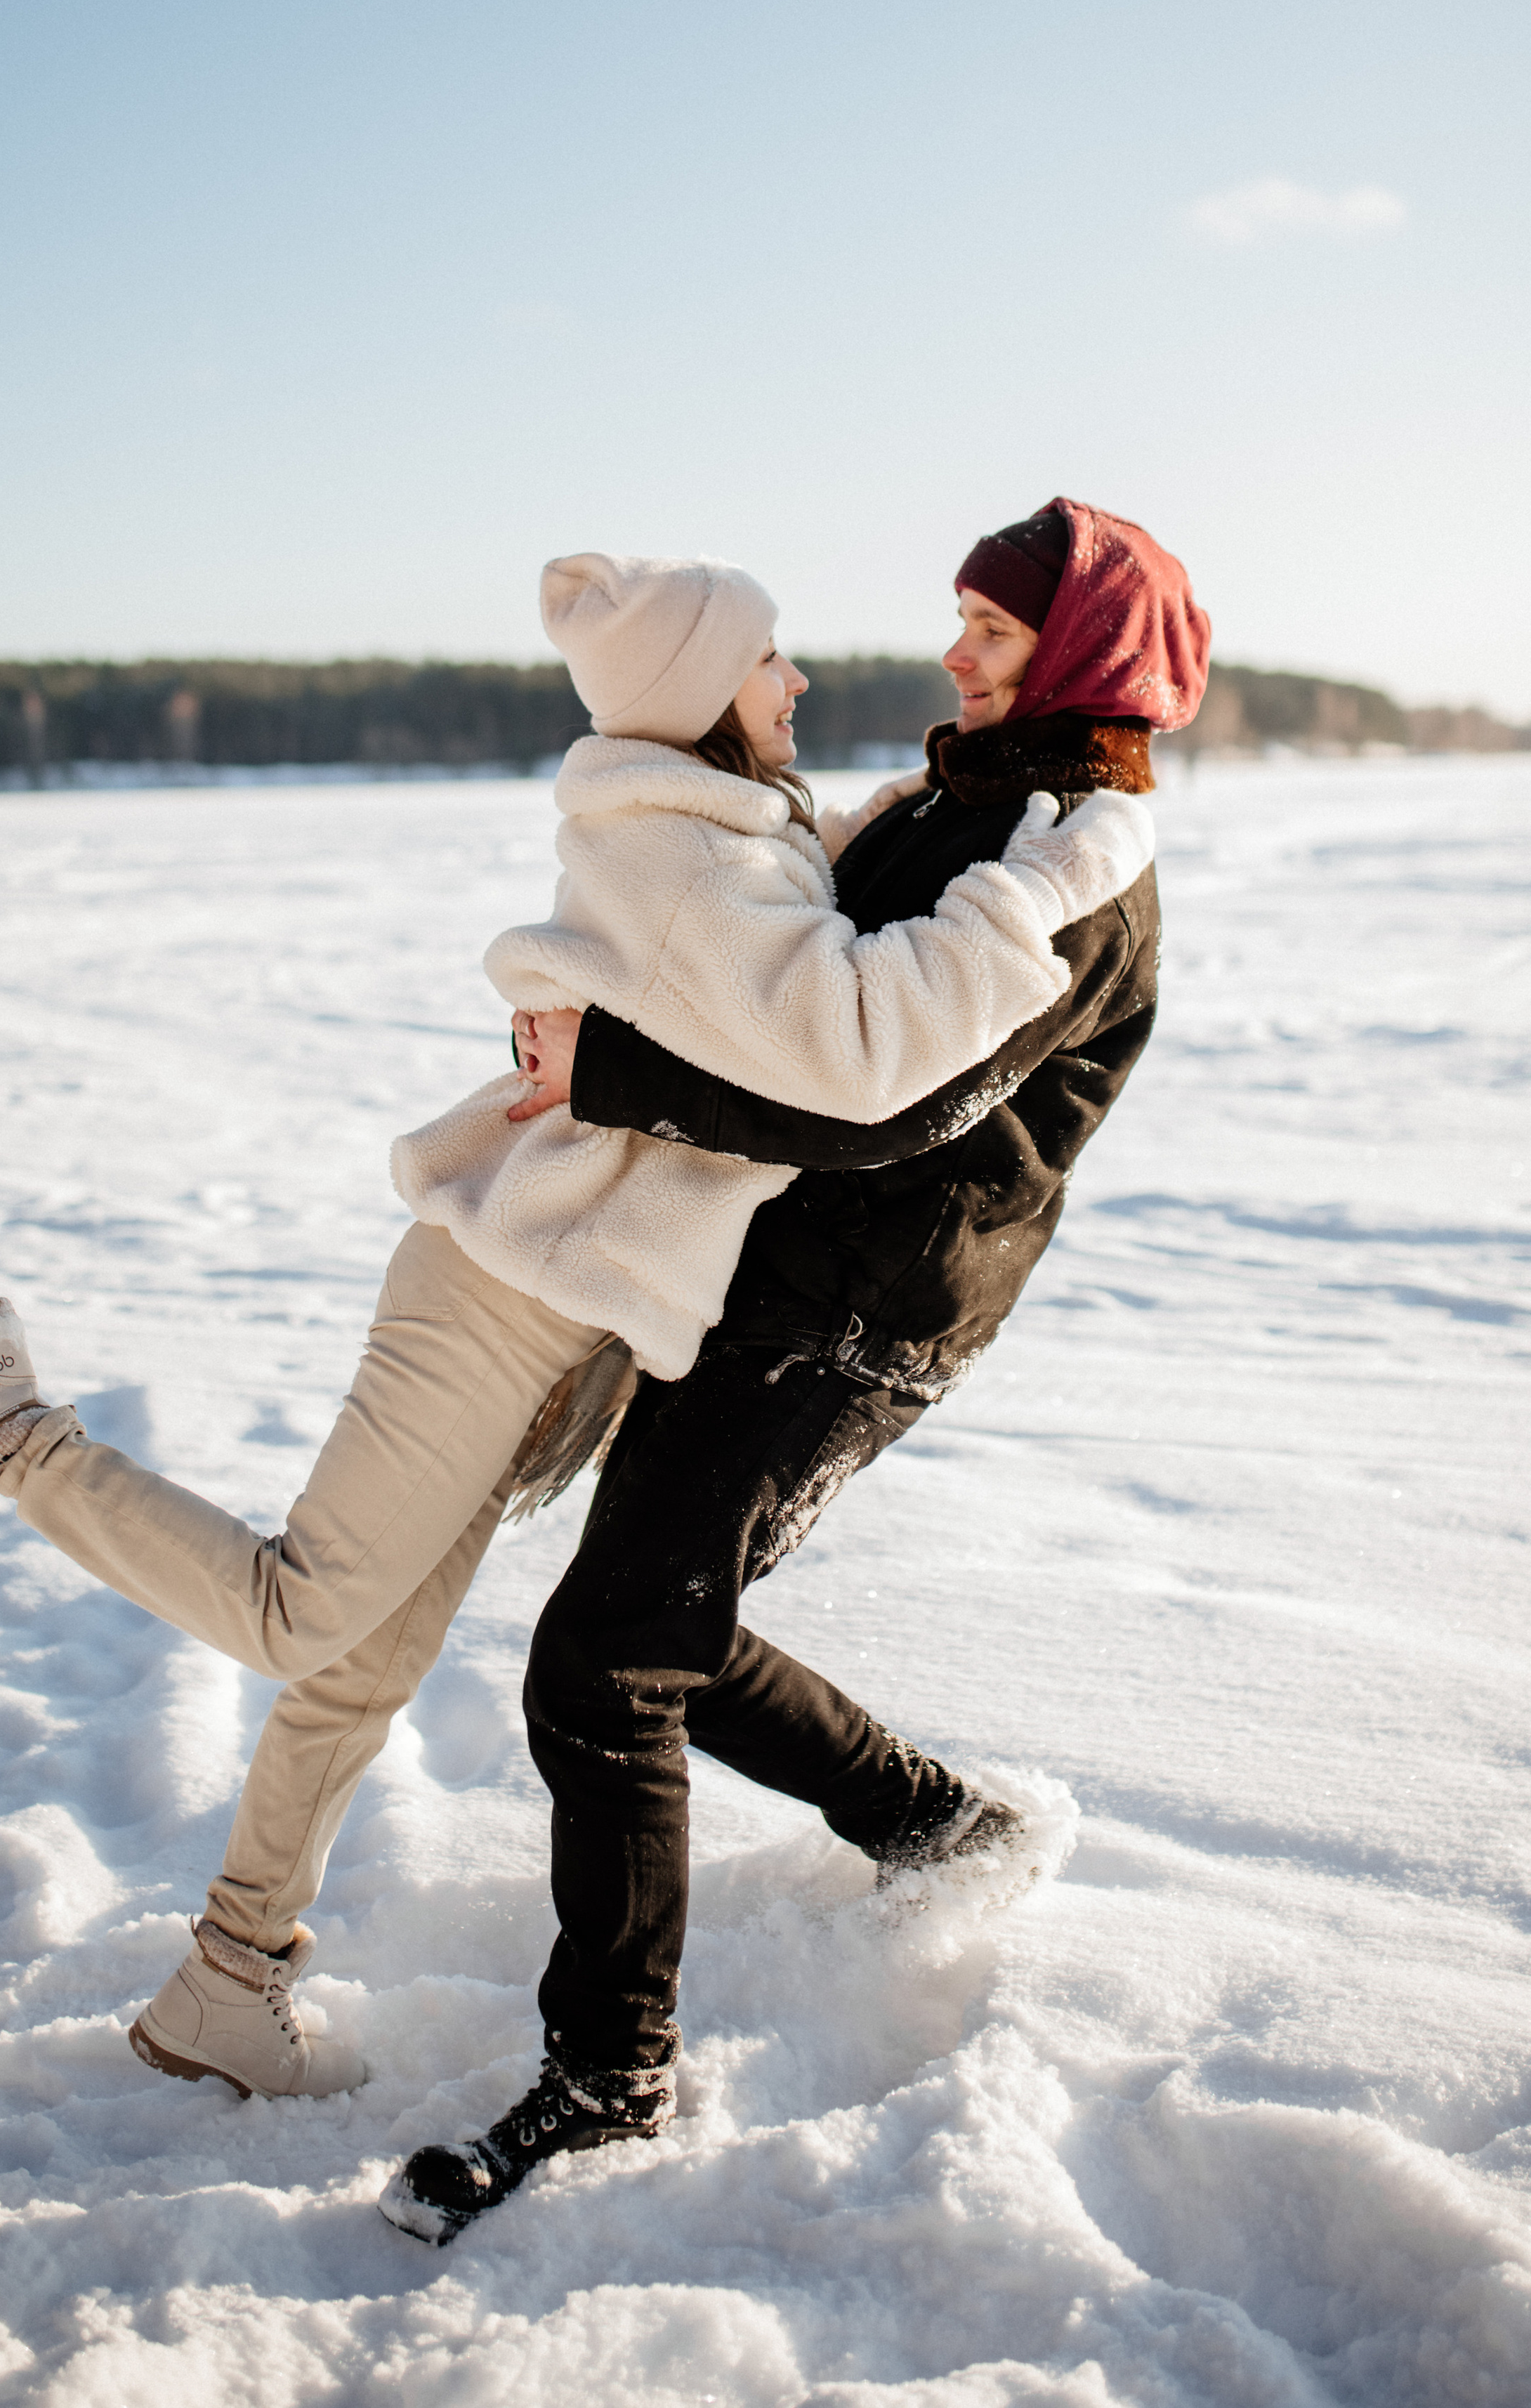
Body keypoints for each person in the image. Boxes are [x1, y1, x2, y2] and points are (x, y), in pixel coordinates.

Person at [0, 549, 1155, 2106]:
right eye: (767, 658)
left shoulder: (726, 826)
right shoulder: (683, 860)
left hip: (563, 1302)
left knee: (362, 1664)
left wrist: (899, 831)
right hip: (505, 1295)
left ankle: (227, 1989)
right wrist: (1046, 881)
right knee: (302, 1620)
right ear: (701, 694)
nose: (797, 682)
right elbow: (852, 1050)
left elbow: (804, 933)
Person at [389, 497, 1209, 2243]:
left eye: (990, 631)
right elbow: (775, 992)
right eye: (962, 620)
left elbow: (885, 1103)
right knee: (656, 1625)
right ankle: (935, 1825)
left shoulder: (1076, 870)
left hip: (870, 1313)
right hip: (776, 1276)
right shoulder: (950, 805)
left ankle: (611, 2075)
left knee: (606, 1660)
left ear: (1073, 659)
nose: (951, 652)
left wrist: (611, 1078)